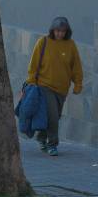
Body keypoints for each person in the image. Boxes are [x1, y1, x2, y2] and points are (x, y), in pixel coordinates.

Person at [25, 16, 83, 156]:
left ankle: (41, 137)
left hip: (62, 89)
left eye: (63, 31)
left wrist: (78, 83)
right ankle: (52, 144)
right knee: (52, 115)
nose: (59, 34)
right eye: (57, 30)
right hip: (45, 86)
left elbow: (76, 66)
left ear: (67, 32)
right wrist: (31, 80)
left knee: (55, 117)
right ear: (52, 30)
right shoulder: (43, 42)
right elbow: (33, 64)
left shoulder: (71, 45)